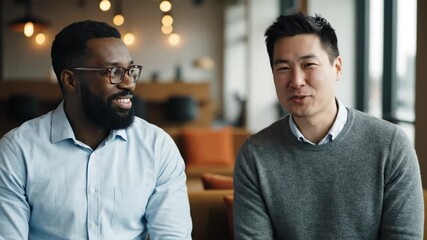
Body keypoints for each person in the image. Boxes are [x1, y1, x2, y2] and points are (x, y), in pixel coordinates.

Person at [233, 12, 424, 239]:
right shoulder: (255, 154)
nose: (296, 81)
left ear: (338, 68)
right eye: (283, 68)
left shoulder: (391, 145)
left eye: (309, 64)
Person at [0, 20, 192, 239]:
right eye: (114, 71)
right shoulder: (17, 151)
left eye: (130, 70)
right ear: (71, 81)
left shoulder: (157, 147)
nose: (129, 83)